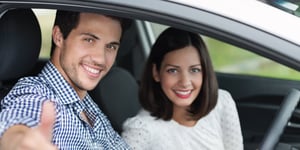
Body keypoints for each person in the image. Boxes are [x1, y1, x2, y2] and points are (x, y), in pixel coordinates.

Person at [0, 10, 131, 149]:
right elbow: (16, 126)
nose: (101, 59)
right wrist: (18, 142)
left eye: (111, 46)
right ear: (59, 36)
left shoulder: (87, 104)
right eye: (89, 40)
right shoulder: (37, 94)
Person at [122, 27, 243, 150]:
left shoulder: (222, 102)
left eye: (194, 70)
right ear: (156, 73)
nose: (185, 82)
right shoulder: (142, 129)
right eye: (173, 71)